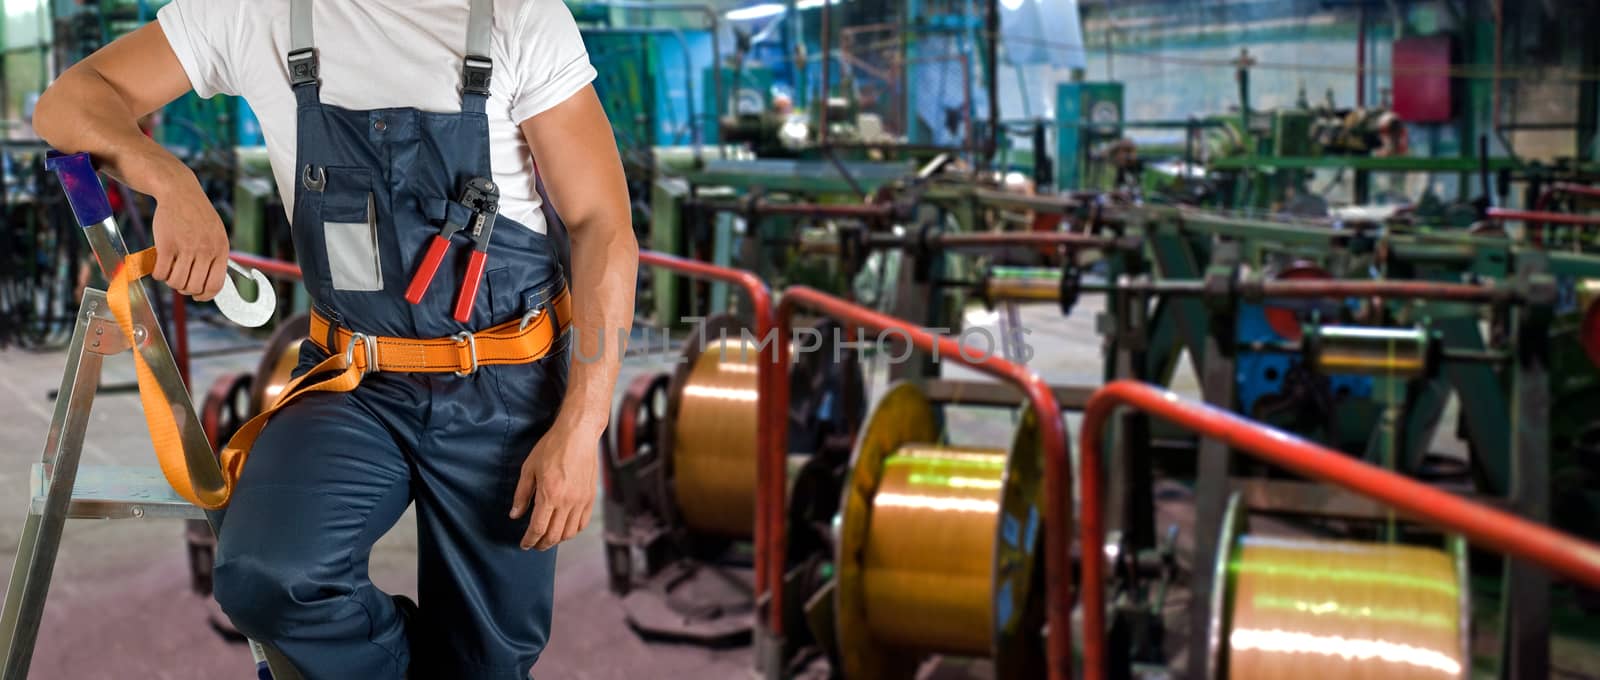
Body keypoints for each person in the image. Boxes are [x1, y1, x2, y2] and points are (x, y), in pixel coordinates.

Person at [33, 0, 637, 677]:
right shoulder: (253, 12)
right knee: (270, 575)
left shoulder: (516, 16)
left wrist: (581, 428)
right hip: (353, 381)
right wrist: (171, 181)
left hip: (507, 387)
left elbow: (603, 227)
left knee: (486, 661)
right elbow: (69, 101)